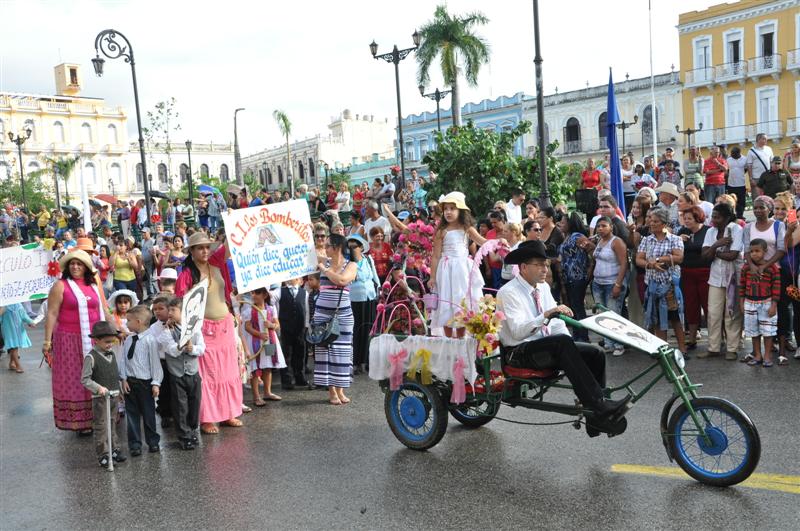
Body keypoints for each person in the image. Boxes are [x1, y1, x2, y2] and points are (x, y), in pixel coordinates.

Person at [497, 240, 632, 436]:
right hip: (519, 352)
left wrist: (570, 345)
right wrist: (546, 315)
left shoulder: (542, 287)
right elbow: (518, 332)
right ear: (524, 267)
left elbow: (558, 323)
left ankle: (595, 419)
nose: (546, 269)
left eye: (547, 264)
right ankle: (599, 405)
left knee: (595, 352)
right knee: (562, 343)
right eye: (540, 264)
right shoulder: (508, 292)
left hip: (544, 347)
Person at [175, 232, 243, 434]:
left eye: (207, 247)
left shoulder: (217, 262)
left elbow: (233, 240)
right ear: (192, 251)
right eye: (200, 248)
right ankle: (208, 418)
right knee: (208, 376)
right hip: (203, 329)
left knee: (229, 371)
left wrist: (232, 221)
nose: (205, 251)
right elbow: (180, 303)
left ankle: (229, 412)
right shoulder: (186, 274)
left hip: (225, 325)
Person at [43, 250, 113, 434]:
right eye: (72, 264)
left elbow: (104, 308)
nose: (75, 267)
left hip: (94, 338)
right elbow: (51, 313)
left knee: (99, 374)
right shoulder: (60, 285)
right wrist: (46, 342)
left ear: (86, 268)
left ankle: (100, 415)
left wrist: (114, 330)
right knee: (76, 378)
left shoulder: (94, 284)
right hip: (69, 340)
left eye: (79, 264)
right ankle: (81, 422)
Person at [429, 192, 487, 337]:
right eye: (445, 209)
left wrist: (498, 242)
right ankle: (448, 339)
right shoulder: (441, 231)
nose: (448, 212)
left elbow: (481, 241)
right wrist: (432, 276)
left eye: (452, 209)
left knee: (462, 300)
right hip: (446, 270)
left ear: (460, 211)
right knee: (447, 300)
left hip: (463, 270)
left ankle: (461, 337)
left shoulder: (467, 229)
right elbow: (436, 256)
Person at [155, 296, 205, 450]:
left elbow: (202, 348)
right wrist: (183, 346)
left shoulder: (195, 328)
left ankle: (193, 429)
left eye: (173, 310)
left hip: (193, 372)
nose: (169, 312)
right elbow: (171, 350)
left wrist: (193, 349)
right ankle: (184, 436)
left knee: (194, 402)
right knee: (180, 406)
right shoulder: (166, 332)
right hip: (177, 375)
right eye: (168, 309)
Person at [635, 207, 687, 354]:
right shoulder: (647, 240)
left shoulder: (675, 239)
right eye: (650, 220)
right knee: (656, 318)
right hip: (653, 285)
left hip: (669, 285)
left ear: (664, 223)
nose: (651, 223)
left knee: (675, 318)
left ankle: (682, 349)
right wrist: (650, 264)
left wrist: (659, 259)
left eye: (656, 221)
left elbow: (679, 257)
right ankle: (664, 350)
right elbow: (638, 259)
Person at [314, 234, 357, 405]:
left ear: (337, 247)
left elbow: (342, 280)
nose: (325, 248)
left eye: (328, 245)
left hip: (343, 315)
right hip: (322, 314)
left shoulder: (351, 265)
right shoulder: (322, 260)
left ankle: (341, 388)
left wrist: (324, 270)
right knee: (326, 351)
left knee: (343, 351)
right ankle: (332, 391)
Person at [80, 321, 127, 468]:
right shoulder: (91, 357)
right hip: (100, 399)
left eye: (112, 342)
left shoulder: (111, 353)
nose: (110, 345)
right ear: (97, 340)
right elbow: (85, 379)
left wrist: (119, 390)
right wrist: (98, 388)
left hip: (113, 396)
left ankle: (114, 449)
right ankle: (103, 453)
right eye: (106, 342)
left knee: (112, 424)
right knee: (101, 426)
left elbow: (114, 374)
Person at [118, 305, 162, 456]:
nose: (126, 323)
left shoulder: (150, 340)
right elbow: (123, 360)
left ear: (138, 322)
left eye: (128, 321)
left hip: (145, 383)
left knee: (149, 414)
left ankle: (153, 441)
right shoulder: (129, 340)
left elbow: (155, 363)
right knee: (132, 415)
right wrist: (123, 379)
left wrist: (156, 382)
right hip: (130, 382)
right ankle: (135, 444)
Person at [701, 203, 743, 360]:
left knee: (731, 312)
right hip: (716, 277)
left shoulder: (735, 229)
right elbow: (704, 256)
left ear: (726, 218)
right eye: (712, 216)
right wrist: (717, 245)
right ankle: (713, 347)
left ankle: (732, 348)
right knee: (713, 313)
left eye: (717, 217)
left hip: (733, 276)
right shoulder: (710, 231)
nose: (713, 220)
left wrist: (713, 252)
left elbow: (733, 255)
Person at [590, 216, 628, 356]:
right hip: (598, 283)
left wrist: (618, 284)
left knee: (614, 315)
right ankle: (608, 343)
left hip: (612, 283)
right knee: (603, 315)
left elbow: (624, 263)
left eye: (604, 226)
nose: (600, 228)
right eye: (598, 226)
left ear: (611, 227)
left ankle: (619, 344)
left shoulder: (616, 242)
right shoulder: (599, 241)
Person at [740, 239, 780, 367]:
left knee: (768, 331)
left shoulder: (772, 268)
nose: (754, 254)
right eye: (751, 251)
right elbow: (741, 286)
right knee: (753, 331)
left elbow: (776, 287)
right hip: (749, 302)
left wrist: (774, 305)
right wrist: (742, 303)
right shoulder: (746, 268)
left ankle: (767, 356)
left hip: (767, 303)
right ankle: (758, 355)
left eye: (757, 251)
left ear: (765, 251)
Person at [242, 287, 285, 404]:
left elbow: (277, 324)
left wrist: (271, 325)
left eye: (257, 293)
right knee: (255, 369)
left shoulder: (271, 309)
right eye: (252, 293)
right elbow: (247, 327)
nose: (253, 295)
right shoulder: (248, 310)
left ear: (265, 295)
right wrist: (259, 334)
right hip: (255, 342)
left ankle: (267, 392)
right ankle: (256, 396)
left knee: (268, 367)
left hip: (270, 341)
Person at [677, 206, 711, 351]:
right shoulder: (682, 232)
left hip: (705, 272)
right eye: (685, 219)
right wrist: (679, 241)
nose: (687, 221)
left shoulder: (708, 231)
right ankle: (691, 338)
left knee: (708, 305)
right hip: (687, 272)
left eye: (689, 218)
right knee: (690, 306)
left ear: (698, 217)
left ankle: (714, 338)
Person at [347, 234, 379, 374]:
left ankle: (365, 361)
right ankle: (354, 362)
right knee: (355, 330)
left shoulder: (368, 259)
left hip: (369, 297)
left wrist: (380, 290)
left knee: (368, 329)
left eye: (354, 246)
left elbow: (375, 277)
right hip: (354, 298)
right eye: (349, 247)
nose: (352, 249)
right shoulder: (347, 262)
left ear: (361, 248)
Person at [557, 212, 591, 342]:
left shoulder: (577, 236)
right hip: (567, 277)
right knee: (573, 307)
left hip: (577, 276)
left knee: (578, 307)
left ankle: (583, 336)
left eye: (563, 222)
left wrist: (589, 270)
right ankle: (577, 334)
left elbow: (590, 250)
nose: (560, 224)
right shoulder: (566, 236)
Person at [275, 278, 308, 389]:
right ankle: (286, 380)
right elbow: (271, 299)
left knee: (300, 353)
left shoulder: (304, 292)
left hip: (300, 327)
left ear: (300, 280)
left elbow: (306, 309)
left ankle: (300, 377)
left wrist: (307, 326)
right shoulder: (280, 291)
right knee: (286, 354)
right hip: (285, 327)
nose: (293, 278)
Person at [0, 303, 35, 373]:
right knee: (13, 346)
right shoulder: (2, 307)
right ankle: (18, 365)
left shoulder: (18, 305)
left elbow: (24, 315)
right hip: (8, 330)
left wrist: (31, 322)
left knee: (15, 346)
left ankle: (11, 362)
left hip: (18, 329)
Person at [746, 133, 774, 203]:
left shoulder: (769, 149)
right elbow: (749, 165)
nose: (766, 140)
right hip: (756, 178)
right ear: (758, 140)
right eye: (764, 139)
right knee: (757, 198)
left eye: (766, 139)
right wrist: (751, 178)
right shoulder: (751, 151)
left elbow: (772, 162)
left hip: (768, 176)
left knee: (768, 196)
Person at [726, 146, 748, 219]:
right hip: (731, 185)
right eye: (731, 153)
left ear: (738, 153)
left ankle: (740, 215)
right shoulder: (728, 160)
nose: (731, 155)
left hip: (741, 184)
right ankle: (733, 216)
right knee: (732, 201)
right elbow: (727, 170)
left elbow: (746, 169)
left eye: (733, 154)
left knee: (741, 201)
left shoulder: (744, 159)